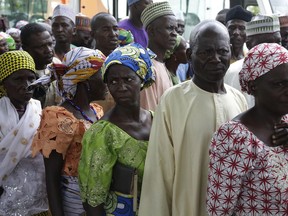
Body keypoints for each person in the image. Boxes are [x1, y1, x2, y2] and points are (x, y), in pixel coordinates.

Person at [139, 20, 247, 216]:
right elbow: (160, 172)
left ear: (230, 52)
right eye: (206, 52)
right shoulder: (173, 101)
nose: (215, 59)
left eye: (222, 51)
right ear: (190, 55)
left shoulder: (238, 100)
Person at [207, 43, 288, 215]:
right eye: (279, 84)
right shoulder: (234, 137)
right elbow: (219, 210)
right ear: (252, 87)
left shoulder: (285, 123)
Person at [78, 43, 155, 216]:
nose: (120, 87)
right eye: (113, 81)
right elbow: (93, 200)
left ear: (142, 79)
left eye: (128, 79)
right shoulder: (103, 133)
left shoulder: (157, 119)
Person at [32, 47, 107, 215]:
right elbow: (51, 178)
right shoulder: (58, 118)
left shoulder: (97, 111)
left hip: (97, 198)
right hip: (74, 204)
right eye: (102, 74)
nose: (108, 80)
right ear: (86, 82)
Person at [0, 51, 48, 215]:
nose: (27, 84)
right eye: (18, 79)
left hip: (39, 197)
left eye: (31, 78)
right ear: (3, 83)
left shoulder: (39, 110)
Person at [225, 14, 282, 108]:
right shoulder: (233, 73)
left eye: (278, 42)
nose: (274, 49)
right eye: (266, 44)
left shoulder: (284, 69)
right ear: (249, 45)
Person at [140, 1, 177, 111]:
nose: (175, 33)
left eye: (176, 28)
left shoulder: (160, 63)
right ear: (151, 31)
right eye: (170, 28)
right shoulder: (147, 67)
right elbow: (149, 114)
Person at [21, 22, 62, 107]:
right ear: (26, 49)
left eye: (50, 44)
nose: (49, 50)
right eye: (41, 46)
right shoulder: (21, 73)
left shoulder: (56, 64)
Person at [90, 12, 119, 112]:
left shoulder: (123, 62)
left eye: (115, 29)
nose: (113, 34)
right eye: (106, 29)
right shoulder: (87, 63)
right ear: (92, 34)